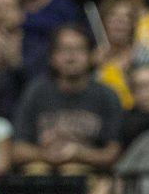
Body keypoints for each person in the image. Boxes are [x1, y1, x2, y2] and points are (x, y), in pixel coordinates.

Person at [11, 24, 122, 175]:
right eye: (64, 50)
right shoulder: (36, 92)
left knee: (72, 170)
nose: (71, 57)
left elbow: (113, 153)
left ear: (91, 56)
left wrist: (79, 154)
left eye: (79, 49)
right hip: (42, 170)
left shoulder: (106, 95)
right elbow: (18, 150)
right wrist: (47, 155)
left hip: (88, 177)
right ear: (52, 57)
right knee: (36, 169)